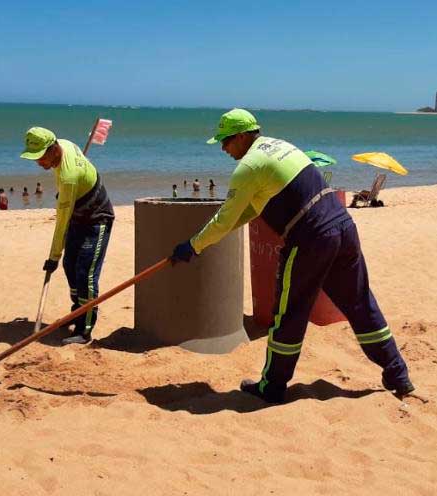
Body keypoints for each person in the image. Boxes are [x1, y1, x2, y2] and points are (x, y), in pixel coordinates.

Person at [170, 109, 416, 404]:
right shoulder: (282, 146)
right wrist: (199, 244)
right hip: (344, 228)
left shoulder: (248, 167)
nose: (223, 148)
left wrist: (193, 245)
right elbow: (248, 212)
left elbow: (225, 219)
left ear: (243, 136)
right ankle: (398, 375)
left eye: (225, 141)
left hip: (309, 238)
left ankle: (272, 387)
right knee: (360, 303)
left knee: (289, 313)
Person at [20, 126, 115, 345]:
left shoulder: (68, 177)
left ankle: (85, 330)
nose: (38, 163)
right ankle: (77, 313)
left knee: (86, 274)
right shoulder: (65, 142)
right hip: (77, 215)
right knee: (70, 265)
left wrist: (53, 257)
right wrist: (68, 193)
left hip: (97, 218)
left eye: (41, 157)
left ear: (53, 149)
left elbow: (61, 223)